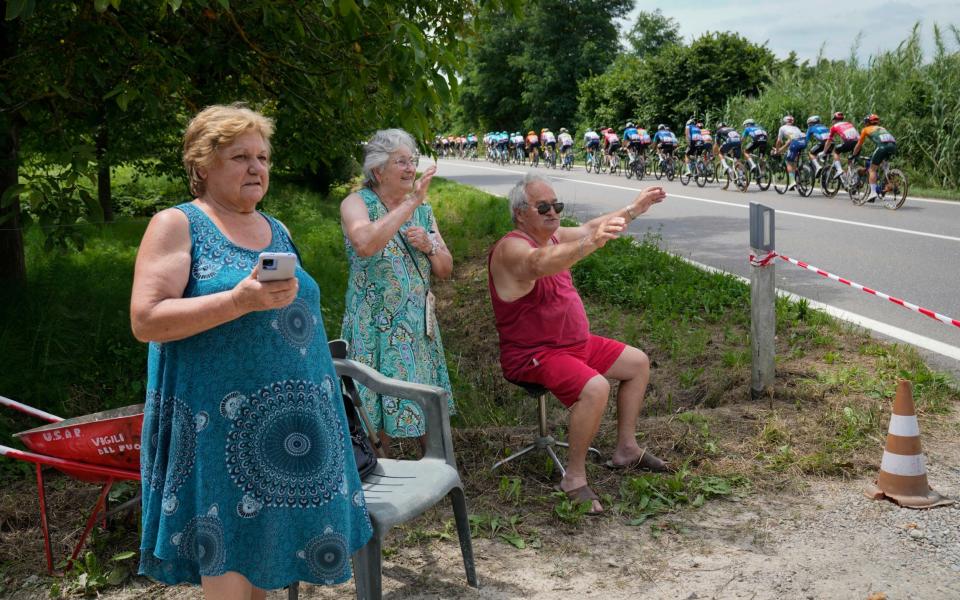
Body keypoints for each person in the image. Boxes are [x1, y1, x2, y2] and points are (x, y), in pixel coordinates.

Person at [130, 103, 372, 598]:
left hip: (287, 435)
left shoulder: (275, 228)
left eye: (262, 157)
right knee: (231, 571)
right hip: (218, 432)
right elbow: (146, 319)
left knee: (261, 566)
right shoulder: (179, 224)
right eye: (240, 156)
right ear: (202, 165)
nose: (257, 167)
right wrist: (238, 301)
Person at [487, 173, 671, 515]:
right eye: (543, 206)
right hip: (534, 354)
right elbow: (537, 264)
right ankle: (573, 477)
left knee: (637, 363)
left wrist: (634, 209)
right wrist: (589, 244)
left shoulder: (553, 236)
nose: (553, 212)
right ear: (519, 213)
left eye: (556, 205)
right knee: (595, 387)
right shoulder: (512, 247)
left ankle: (627, 449)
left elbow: (589, 228)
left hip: (575, 344)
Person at [340, 129, 455, 454]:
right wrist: (411, 204)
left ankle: (440, 478)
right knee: (373, 415)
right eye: (401, 162)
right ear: (378, 170)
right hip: (373, 327)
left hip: (417, 330)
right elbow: (365, 243)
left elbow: (445, 268)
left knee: (425, 405)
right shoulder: (356, 203)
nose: (410, 168)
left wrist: (430, 245)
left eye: (412, 161)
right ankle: (379, 483)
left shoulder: (423, 211)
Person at [852, 114, 897, 202]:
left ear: (867, 123)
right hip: (893, 146)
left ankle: (873, 193)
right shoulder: (882, 128)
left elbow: (859, 145)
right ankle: (889, 183)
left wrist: (854, 154)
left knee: (872, 169)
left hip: (882, 147)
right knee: (884, 166)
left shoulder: (865, 129)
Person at [773, 115, 806, 190]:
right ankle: (796, 181)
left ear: (784, 121)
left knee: (788, 162)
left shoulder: (782, 128)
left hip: (795, 143)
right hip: (803, 142)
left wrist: (777, 150)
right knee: (794, 163)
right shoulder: (796, 128)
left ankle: (792, 182)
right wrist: (780, 150)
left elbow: (778, 141)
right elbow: (788, 143)